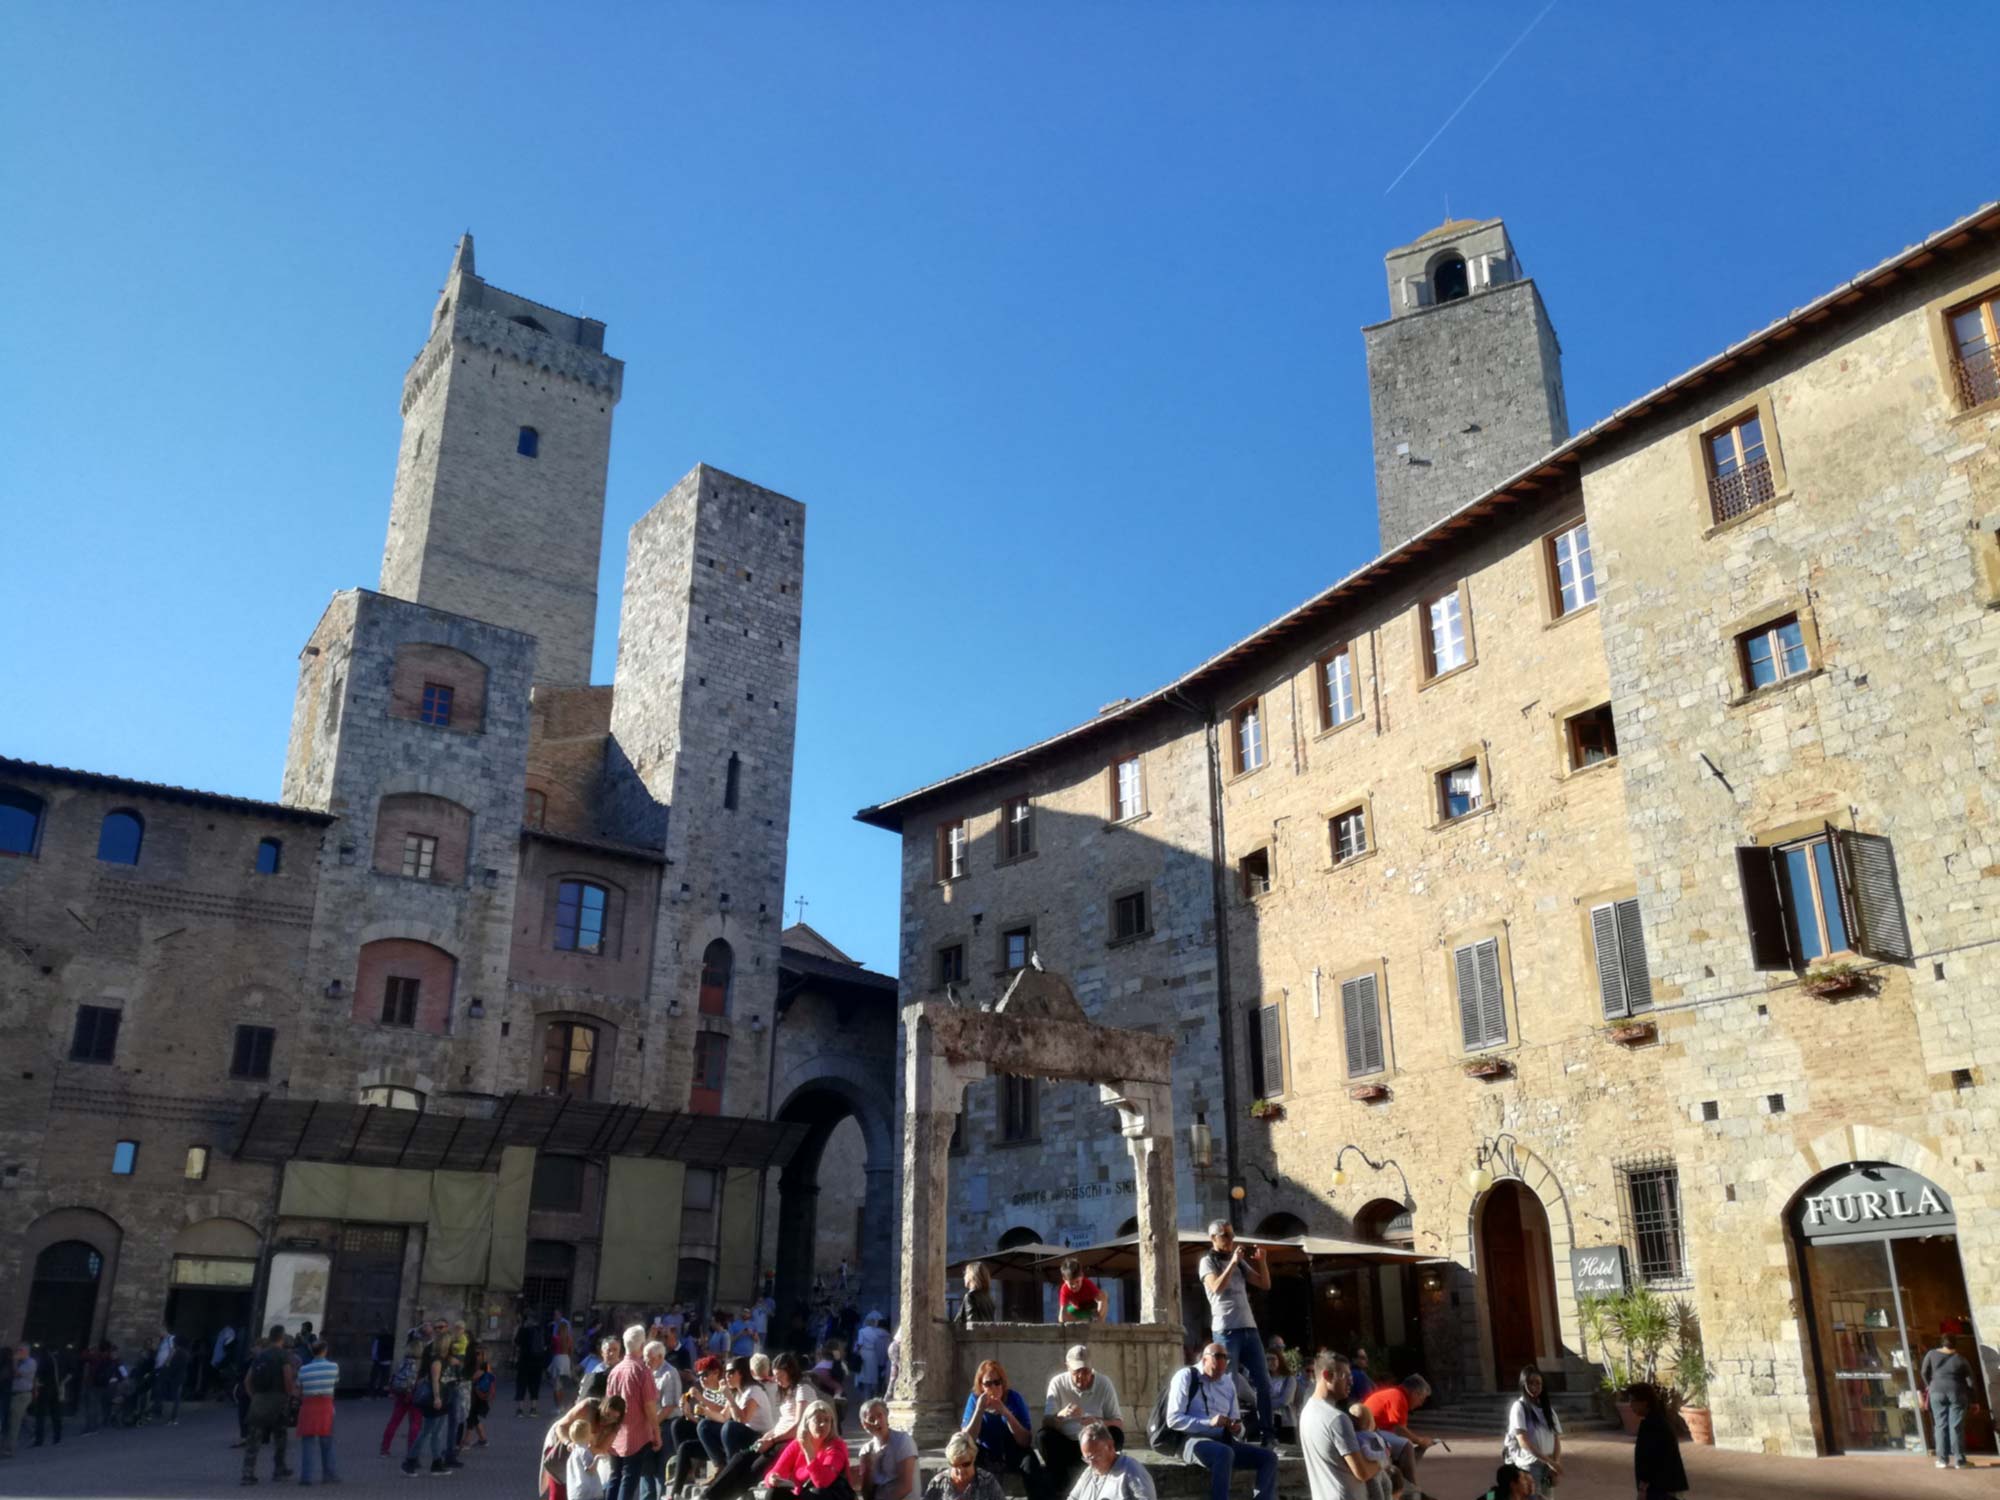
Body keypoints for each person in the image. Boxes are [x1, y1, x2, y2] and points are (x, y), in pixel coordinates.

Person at [1164, 1343, 1278, 1500]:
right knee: (1224, 1453)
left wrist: (1237, 1429)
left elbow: (1238, 1423)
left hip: (1224, 1440)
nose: (1218, 1375)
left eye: (1222, 1371)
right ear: (1204, 1360)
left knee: (1269, 1458)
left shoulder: (1227, 1382)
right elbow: (1173, 1419)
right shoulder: (1186, 1376)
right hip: (1190, 1440)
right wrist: (1209, 1423)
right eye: (1214, 1370)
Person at [1196, 1222, 1273, 1444]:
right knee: (1226, 1383)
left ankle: (1268, 1434)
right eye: (1225, 1236)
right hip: (1226, 1331)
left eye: (1231, 1235)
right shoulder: (1207, 1262)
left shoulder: (1238, 1263)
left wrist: (1262, 1261)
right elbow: (1216, 1287)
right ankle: (1231, 1434)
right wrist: (1232, 1263)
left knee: (1264, 1383)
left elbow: (1264, 1283)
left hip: (1249, 1328)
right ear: (1213, 1238)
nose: (1230, 1240)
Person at [1039, 1343, 1124, 1491]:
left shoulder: (1104, 1383)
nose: (1081, 1377)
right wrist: (1060, 1415)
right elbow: (1046, 1422)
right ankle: (1061, 1486)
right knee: (1043, 1437)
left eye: (1086, 1371)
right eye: (1077, 1371)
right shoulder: (1057, 1383)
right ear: (1068, 1368)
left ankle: (1105, 1476)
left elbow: (1118, 1423)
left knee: (1116, 1435)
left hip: (1094, 1444)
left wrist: (1097, 1422)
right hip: (1066, 1443)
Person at [1296, 1351, 1375, 1500]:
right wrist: (1383, 1459)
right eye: (1345, 1376)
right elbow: (1362, 1472)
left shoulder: (1306, 1412)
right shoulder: (1337, 1419)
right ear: (1327, 1376)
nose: (1351, 1381)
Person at [959, 1358, 1041, 1497]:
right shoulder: (974, 1399)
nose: (994, 1388)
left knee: (1030, 1462)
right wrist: (979, 1410)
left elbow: (1025, 1440)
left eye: (997, 1382)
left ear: (1003, 1384)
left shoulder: (1014, 1398)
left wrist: (1006, 1413)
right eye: (988, 1384)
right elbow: (966, 1440)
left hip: (1012, 1449)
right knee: (967, 1459)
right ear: (981, 1385)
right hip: (985, 1450)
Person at [605, 1322, 663, 1500]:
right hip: (636, 1433)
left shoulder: (615, 1370)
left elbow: (608, 1403)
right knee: (629, 1480)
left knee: (615, 1476)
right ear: (642, 1345)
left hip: (616, 1431)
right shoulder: (642, 1371)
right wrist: (656, 1431)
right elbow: (649, 1406)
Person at [241, 1325, 299, 1486]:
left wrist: (255, 1397)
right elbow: (287, 1378)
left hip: (259, 1400)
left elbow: (247, 1381)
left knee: (254, 1439)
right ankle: (279, 1470)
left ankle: (247, 1473)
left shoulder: (260, 1355)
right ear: (281, 1337)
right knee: (280, 1437)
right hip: (278, 1400)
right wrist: (290, 1394)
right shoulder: (283, 1355)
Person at [765, 1398, 849, 1496]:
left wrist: (809, 1451)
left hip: (830, 1494)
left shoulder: (836, 1446)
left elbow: (822, 1482)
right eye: (818, 1420)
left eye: (827, 1420)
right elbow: (777, 1471)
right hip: (802, 1493)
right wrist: (772, 1478)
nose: (823, 1424)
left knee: (817, 1492)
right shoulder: (797, 1444)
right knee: (773, 1492)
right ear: (807, 1423)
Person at [698, 1355, 772, 1466]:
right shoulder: (736, 1392)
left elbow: (742, 1420)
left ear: (742, 1373)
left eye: (731, 1372)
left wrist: (730, 1399)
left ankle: (732, 1467)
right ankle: (720, 1466)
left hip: (760, 1440)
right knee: (704, 1425)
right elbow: (723, 1417)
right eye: (726, 1373)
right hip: (741, 1435)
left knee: (730, 1427)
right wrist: (705, 1412)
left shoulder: (754, 1391)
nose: (727, 1376)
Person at [1922, 1326, 1975, 1470]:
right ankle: (1960, 1461)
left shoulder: (1931, 1354)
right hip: (1957, 1392)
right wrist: (1974, 1399)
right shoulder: (1961, 1359)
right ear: (1955, 1343)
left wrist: (1929, 1385)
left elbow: (1924, 1371)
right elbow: (1971, 1380)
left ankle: (1942, 1460)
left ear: (1942, 1342)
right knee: (1955, 1426)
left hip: (1936, 1392)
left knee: (1940, 1425)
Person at [1502, 1364, 1561, 1494]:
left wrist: (1555, 1465)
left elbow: (1556, 1439)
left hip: (1548, 1465)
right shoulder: (1519, 1407)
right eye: (1530, 1383)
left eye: (1538, 1383)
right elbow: (1523, 1441)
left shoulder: (1548, 1410)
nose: (1534, 1387)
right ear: (1523, 1384)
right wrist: (1550, 1462)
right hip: (1529, 1465)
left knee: (1547, 1498)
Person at [1625, 1383, 1687, 1500]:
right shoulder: (1658, 1420)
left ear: (1645, 1402)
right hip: (1666, 1486)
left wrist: (1643, 1488)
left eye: (1633, 1401)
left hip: (1660, 1488)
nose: (1630, 1405)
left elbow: (1649, 1459)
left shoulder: (1652, 1425)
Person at [1065, 1421, 1154, 1500]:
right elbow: (1073, 1497)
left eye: (1096, 1457)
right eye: (1087, 1459)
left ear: (1110, 1446)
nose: (1092, 1464)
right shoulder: (1089, 1472)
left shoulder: (1131, 1470)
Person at [852, 1397, 917, 1500]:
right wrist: (868, 1470)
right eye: (871, 1419)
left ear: (886, 1417)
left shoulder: (902, 1441)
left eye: (880, 1416)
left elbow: (905, 1486)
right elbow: (866, 1493)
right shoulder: (866, 1451)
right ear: (865, 1425)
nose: (877, 1422)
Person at [296, 1338, 341, 1486]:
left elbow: (299, 1389)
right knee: (327, 1442)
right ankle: (329, 1475)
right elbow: (335, 1383)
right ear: (325, 1350)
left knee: (307, 1443)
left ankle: (306, 1477)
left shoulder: (303, 1369)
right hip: (326, 1406)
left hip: (308, 1406)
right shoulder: (333, 1367)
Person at [1360, 1374, 1432, 1456]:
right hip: (1368, 1434)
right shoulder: (1398, 1397)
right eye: (1421, 1399)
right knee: (1406, 1446)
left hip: (1370, 1432)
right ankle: (1407, 1469)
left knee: (1402, 1443)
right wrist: (1420, 1441)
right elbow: (1400, 1430)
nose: (1420, 1404)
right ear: (1415, 1393)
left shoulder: (1396, 1394)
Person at [382, 1333, 426, 1458]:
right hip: (415, 1394)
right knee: (415, 1423)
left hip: (401, 1394)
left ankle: (385, 1448)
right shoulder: (420, 1364)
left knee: (394, 1421)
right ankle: (411, 1451)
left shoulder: (403, 1361)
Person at [924, 1433, 1006, 1500]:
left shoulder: (987, 1482)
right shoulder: (938, 1483)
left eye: (965, 1464)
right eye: (955, 1465)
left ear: (973, 1459)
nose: (960, 1471)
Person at [1345, 1405, 1391, 1500]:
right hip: (1371, 1473)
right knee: (1378, 1495)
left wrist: (1385, 1447)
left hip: (1378, 1470)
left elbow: (1379, 1445)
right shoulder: (1364, 1437)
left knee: (1387, 1485)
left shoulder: (1366, 1435)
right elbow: (1369, 1454)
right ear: (1369, 1423)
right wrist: (1384, 1453)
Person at [518, 1310, 552, 1418]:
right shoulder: (542, 1331)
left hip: (524, 1361)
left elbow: (516, 1342)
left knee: (522, 1385)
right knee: (535, 1385)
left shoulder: (523, 1330)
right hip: (537, 1362)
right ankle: (533, 1409)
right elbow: (547, 1345)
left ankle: (520, 1409)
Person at [29, 1344, 63, 1448]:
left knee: (40, 1415)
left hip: (45, 1389)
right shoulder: (57, 1360)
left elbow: (38, 1373)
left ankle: (39, 1440)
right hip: (55, 1388)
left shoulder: (44, 1359)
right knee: (55, 1414)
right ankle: (57, 1437)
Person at [1057, 1260, 1106, 1324]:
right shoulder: (1064, 1289)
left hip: (1091, 1307)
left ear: (1082, 1276)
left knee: (1104, 1295)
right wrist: (1066, 1319)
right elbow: (1061, 1316)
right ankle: (1081, 1322)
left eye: (1077, 1281)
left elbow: (1101, 1300)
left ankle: (1098, 1323)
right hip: (1077, 1308)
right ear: (1064, 1280)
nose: (1075, 1286)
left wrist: (1099, 1316)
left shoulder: (1087, 1284)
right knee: (1062, 1317)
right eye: (1071, 1283)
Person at [854, 1314, 889, 1402]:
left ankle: (866, 1398)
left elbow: (860, 1343)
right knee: (873, 1376)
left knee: (864, 1376)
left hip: (864, 1353)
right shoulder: (876, 1332)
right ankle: (874, 1396)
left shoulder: (862, 1331)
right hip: (873, 1354)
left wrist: (855, 1352)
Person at [470, 1347, 496, 1446]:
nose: (476, 1356)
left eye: (478, 1354)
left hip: (478, 1395)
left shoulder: (484, 1366)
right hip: (476, 1394)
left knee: (471, 1418)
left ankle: (465, 1442)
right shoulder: (476, 1365)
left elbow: (487, 1379)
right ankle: (482, 1439)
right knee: (473, 1417)